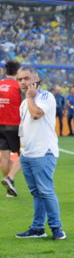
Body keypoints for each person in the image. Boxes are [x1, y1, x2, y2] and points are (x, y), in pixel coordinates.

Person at [13, 66, 65, 240]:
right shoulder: (24, 103)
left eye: (26, 78)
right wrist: (22, 149)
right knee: (37, 193)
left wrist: (29, 96)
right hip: (27, 153)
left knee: (46, 191)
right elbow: (23, 127)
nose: (23, 82)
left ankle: (56, 228)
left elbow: (36, 114)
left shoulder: (45, 96)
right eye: (20, 79)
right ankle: (37, 228)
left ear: (36, 79)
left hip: (43, 152)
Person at [1, 60, 22, 197]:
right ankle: (10, 178)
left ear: (5, 71)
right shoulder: (18, 86)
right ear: (18, 72)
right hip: (14, 125)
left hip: (0, 125)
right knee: (24, 153)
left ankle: (10, 188)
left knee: (4, 156)